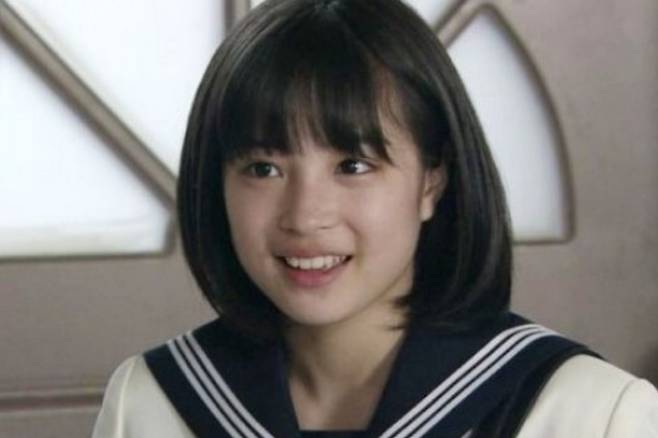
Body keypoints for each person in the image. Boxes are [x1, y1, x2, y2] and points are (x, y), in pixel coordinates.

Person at [92, 0, 658, 436]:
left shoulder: (591, 413)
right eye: (264, 168)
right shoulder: (151, 404)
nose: (305, 216)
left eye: (354, 165)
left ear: (432, 181)